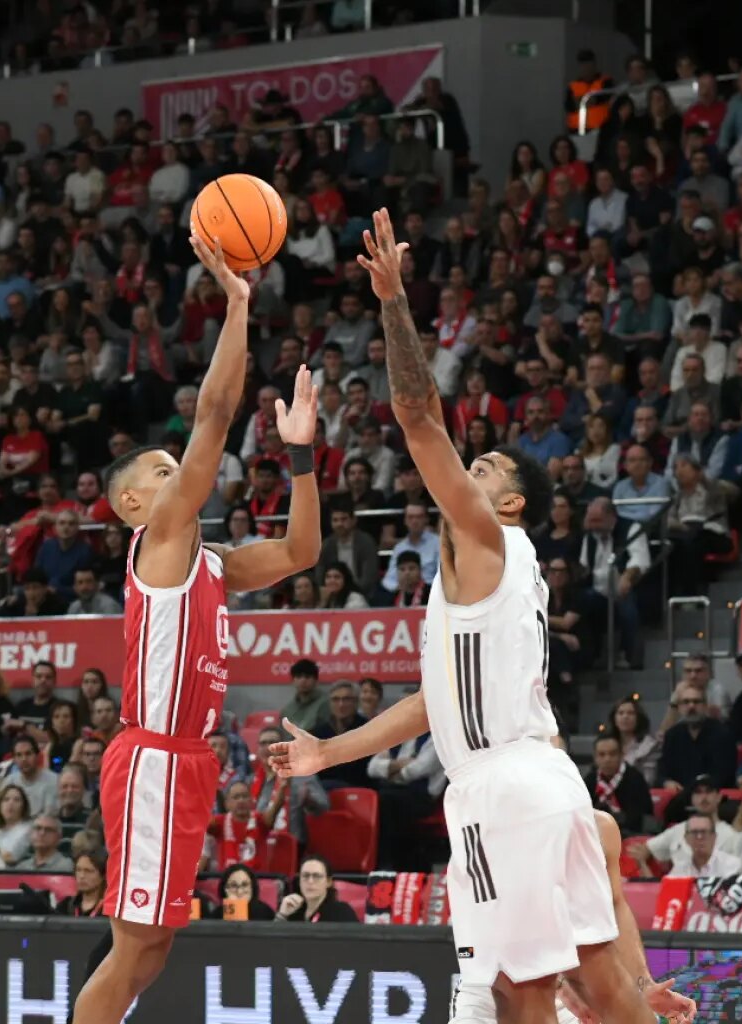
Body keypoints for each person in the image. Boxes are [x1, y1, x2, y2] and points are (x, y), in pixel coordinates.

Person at [275, 211, 655, 1023]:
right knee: (600, 992)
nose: (464, 470)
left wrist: (392, 302)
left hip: (503, 788)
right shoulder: (490, 581)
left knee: (520, 995)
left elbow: (418, 419)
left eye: (481, 467)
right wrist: (329, 753)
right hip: (535, 778)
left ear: (509, 501)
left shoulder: (485, 538)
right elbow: (433, 701)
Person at [71, 231, 324, 1024]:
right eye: (157, 468)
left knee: (156, 946)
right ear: (134, 507)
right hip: (151, 756)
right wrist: (238, 306)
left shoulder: (209, 557)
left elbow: (301, 550)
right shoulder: (163, 540)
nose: (172, 470)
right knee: (133, 942)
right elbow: (214, 414)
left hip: (187, 759)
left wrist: (304, 456)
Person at [450, 808, 697, 1024]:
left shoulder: (599, 828)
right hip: (495, 987)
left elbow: (614, 907)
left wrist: (644, 985)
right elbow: (473, 943)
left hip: (567, 990)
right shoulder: (488, 833)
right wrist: (561, 982)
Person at [276, 855, 358, 922]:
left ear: (328, 882)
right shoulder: (293, 911)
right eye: (305, 875)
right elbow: (273, 941)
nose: (310, 881)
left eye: (316, 876)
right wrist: (282, 915)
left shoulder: (341, 912)